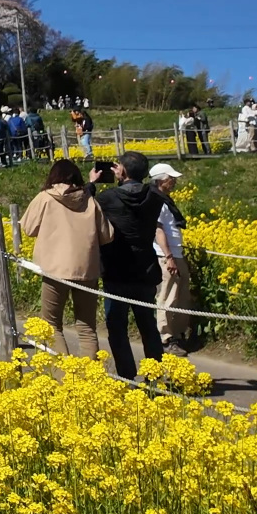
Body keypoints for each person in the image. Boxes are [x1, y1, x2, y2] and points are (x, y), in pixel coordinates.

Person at [20, 158, 113, 357]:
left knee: (51, 324)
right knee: (87, 327)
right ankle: (91, 378)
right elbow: (107, 235)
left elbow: (28, 229)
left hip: (55, 270)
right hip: (87, 269)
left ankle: (64, 377)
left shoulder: (45, 198)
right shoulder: (90, 200)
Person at [93, 152, 171, 378]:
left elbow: (86, 208)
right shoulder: (155, 197)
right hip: (146, 270)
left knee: (117, 329)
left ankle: (127, 375)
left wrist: (91, 184)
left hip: (115, 272)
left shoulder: (106, 198)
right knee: (148, 325)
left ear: (122, 171)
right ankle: (154, 376)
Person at [148, 162, 192, 351]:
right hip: (166, 256)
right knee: (167, 296)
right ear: (160, 180)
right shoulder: (155, 200)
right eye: (170, 179)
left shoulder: (165, 199)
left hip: (176, 253)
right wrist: (169, 257)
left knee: (181, 294)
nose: (173, 182)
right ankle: (166, 337)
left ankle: (177, 333)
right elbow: (158, 231)